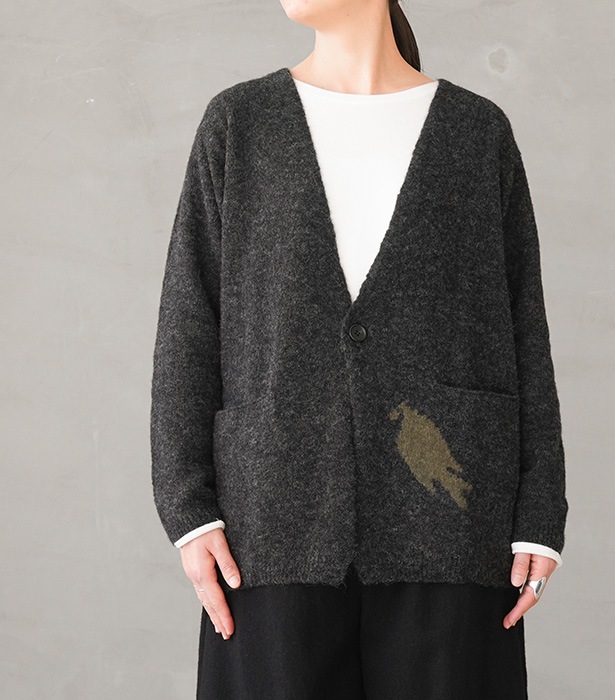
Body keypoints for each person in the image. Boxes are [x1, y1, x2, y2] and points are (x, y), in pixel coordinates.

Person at [150, 1, 568, 697]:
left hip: (452, 527)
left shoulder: (477, 134)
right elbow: (189, 324)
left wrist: (540, 510)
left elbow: (525, 326)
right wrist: (188, 510)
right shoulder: (239, 125)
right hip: (272, 524)